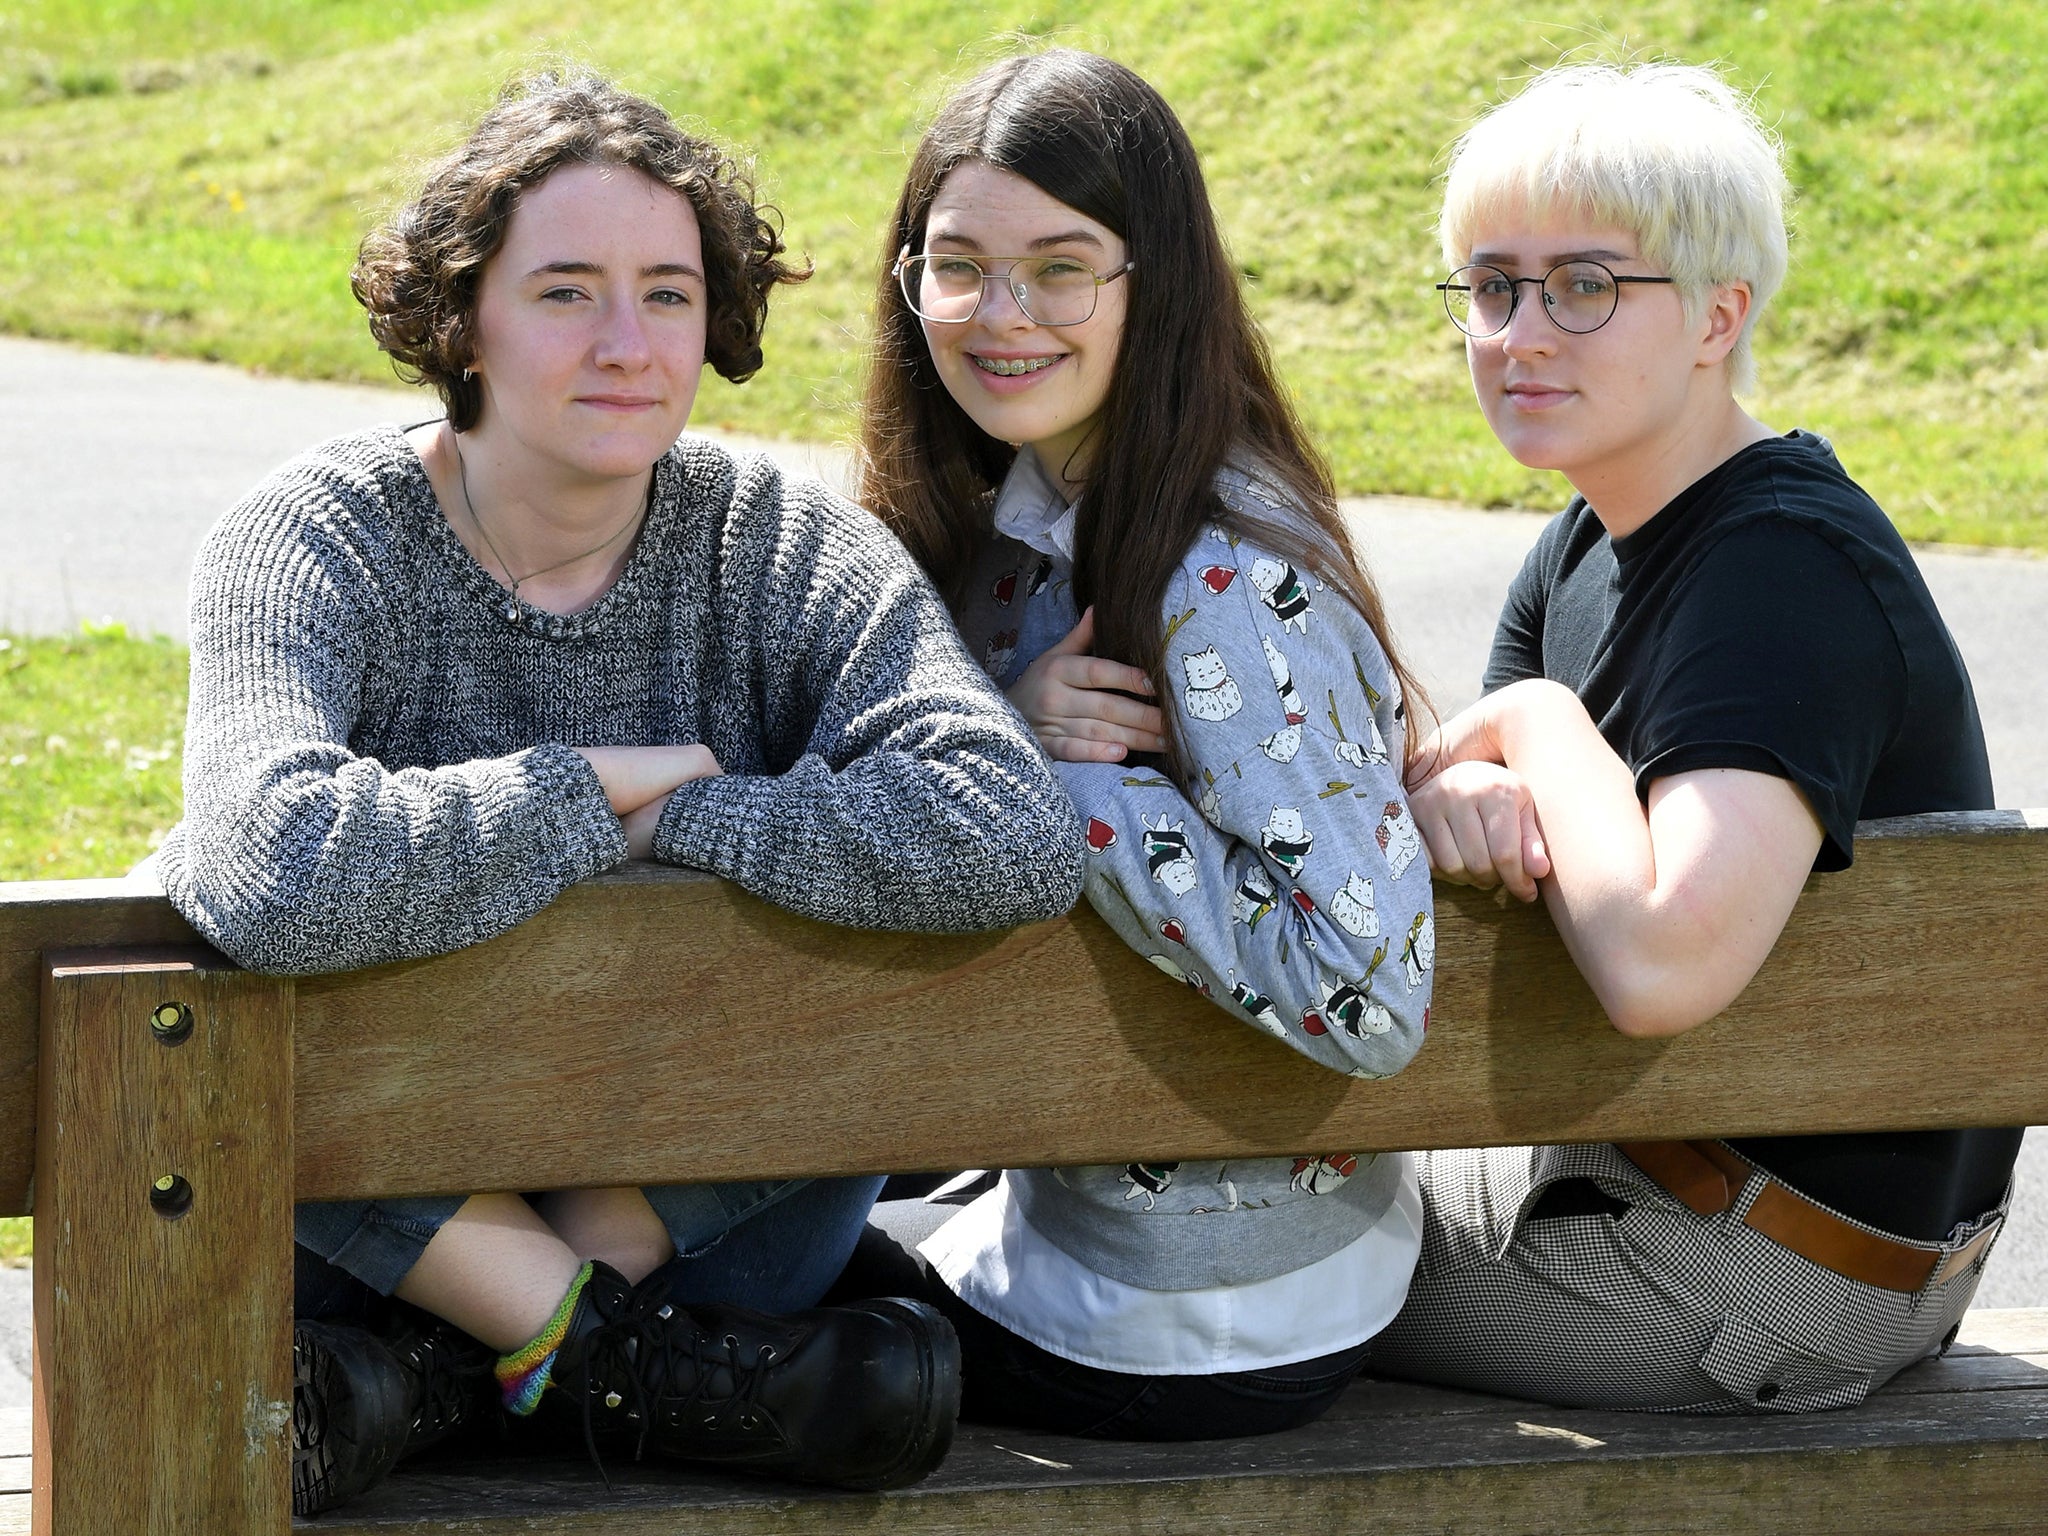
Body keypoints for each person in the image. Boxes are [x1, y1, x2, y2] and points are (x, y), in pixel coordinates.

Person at [152, 73, 1085, 1513]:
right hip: (365, 1225)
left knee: (870, 960)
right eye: (566, 292)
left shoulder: (776, 541)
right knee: (227, 941)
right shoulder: (316, 538)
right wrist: (591, 792)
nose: (626, 344)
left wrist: (691, 817)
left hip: (694, 1211)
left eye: (667, 293)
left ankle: (470, 1369)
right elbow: (268, 865)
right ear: (461, 319)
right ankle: (617, 1362)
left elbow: (1008, 833)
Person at [1366, 60, 2018, 1412]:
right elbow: (1464, 798)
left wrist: (1540, 726)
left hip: (1766, 1267)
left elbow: (1659, 960)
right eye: (1492, 288)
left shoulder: (1781, 565)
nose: (1522, 333)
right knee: (1194, 1215)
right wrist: (1475, 788)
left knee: (1187, 1264)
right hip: (1653, 1191)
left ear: (1721, 314)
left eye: (1586, 286)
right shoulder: (1582, 546)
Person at [837, 49, 1435, 1440]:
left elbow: (1368, 993)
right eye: (959, 264)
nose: (1002, 314)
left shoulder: (1213, 580)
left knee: (713, 1273)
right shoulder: (1041, 504)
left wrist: (1054, 794)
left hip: (1193, 1309)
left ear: (1150, 282)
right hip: (1138, 1233)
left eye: (1062, 267)